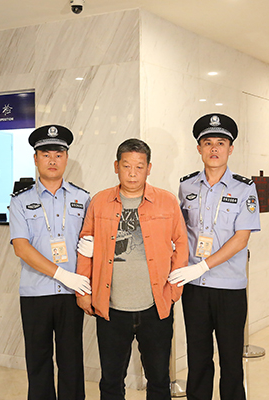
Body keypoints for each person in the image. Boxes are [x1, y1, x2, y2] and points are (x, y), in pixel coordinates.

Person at [75, 138, 188, 400]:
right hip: (111, 307)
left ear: (149, 168)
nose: (133, 173)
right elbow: (85, 245)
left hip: (155, 306)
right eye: (127, 166)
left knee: (159, 379)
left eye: (139, 166)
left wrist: (174, 290)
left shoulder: (167, 201)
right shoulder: (100, 201)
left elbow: (182, 244)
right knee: (111, 381)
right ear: (116, 167)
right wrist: (83, 291)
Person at [169, 113, 261, 400]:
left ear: (230, 149)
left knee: (231, 361)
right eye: (208, 143)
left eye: (221, 143)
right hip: (195, 288)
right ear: (199, 148)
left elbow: (241, 238)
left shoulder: (244, 188)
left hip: (230, 288)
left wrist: (203, 266)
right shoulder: (186, 186)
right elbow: (179, 232)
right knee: (198, 359)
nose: (214, 149)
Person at [9, 124, 91, 400]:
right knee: (38, 361)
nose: (52, 160)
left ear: (66, 158)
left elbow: (91, 241)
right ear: (36, 159)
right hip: (36, 292)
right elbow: (21, 247)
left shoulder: (83, 198)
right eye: (45, 154)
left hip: (72, 293)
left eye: (58, 154)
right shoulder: (20, 201)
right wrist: (62, 274)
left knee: (72, 361)